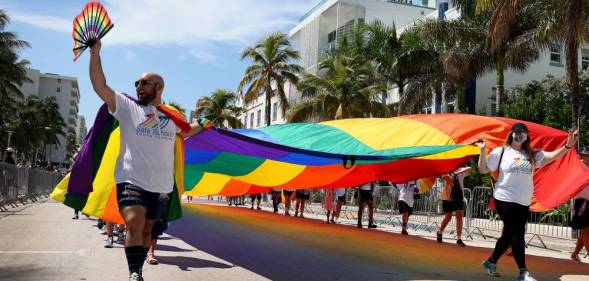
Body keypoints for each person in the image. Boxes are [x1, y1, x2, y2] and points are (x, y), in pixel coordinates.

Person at [89, 39, 205, 281]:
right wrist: (95, 53)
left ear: (158, 87)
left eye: (144, 83)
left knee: (147, 228)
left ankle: (138, 269)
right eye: (137, 83)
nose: (139, 86)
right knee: (134, 221)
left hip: (162, 185)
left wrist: (205, 123)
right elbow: (100, 86)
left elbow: (186, 131)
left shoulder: (171, 116)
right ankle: (133, 273)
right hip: (131, 179)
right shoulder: (127, 106)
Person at [477, 123, 578, 281]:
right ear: (511, 134)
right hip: (504, 197)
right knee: (516, 232)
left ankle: (491, 261)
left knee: (511, 234)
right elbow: (483, 169)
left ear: (527, 136)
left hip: (523, 201)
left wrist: (567, 146)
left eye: (523, 132)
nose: (520, 134)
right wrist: (482, 151)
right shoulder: (501, 152)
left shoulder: (531, 154)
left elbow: (552, 156)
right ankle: (523, 272)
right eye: (517, 131)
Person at [437, 166, 471, 246]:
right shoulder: (446, 170)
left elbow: (470, 168)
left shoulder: (460, 171)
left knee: (459, 216)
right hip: (448, 198)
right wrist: (452, 175)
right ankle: (440, 232)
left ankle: (459, 239)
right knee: (448, 217)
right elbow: (446, 178)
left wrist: (458, 171)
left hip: (459, 197)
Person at [571, 184, 589, 263]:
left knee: (584, 231)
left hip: (584, 200)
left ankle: (574, 254)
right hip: (583, 201)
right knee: (586, 229)